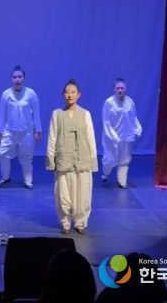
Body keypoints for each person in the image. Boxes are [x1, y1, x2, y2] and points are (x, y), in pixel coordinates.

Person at [46, 79, 97, 234]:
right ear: (63, 94)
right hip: (64, 158)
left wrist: (93, 159)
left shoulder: (85, 114)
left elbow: (91, 137)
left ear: (79, 94)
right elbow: (52, 137)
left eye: (73, 92)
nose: (70, 95)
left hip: (82, 158)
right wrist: (51, 158)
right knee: (63, 192)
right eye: (67, 92)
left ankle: (81, 222)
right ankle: (65, 222)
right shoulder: (57, 114)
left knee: (83, 191)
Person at [0, 65, 42, 189]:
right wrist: (0, 130)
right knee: (2, 154)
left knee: (27, 157)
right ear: (11, 79)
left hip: (27, 132)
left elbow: (36, 113)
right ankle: (5, 178)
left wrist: (38, 130)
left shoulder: (31, 94)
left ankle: (28, 181)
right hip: (9, 131)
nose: (17, 79)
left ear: (23, 78)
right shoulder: (6, 94)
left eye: (19, 77)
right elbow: (2, 113)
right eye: (15, 77)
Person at [101, 78, 142, 189]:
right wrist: (113, 136)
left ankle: (122, 181)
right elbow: (106, 121)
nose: (120, 90)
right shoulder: (109, 102)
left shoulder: (130, 102)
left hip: (125, 136)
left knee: (125, 159)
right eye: (118, 88)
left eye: (122, 88)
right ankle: (105, 173)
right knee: (110, 158)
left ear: (125, 89)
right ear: (114, 89)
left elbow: (133, 117)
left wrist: (137, 128)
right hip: (112, 137)